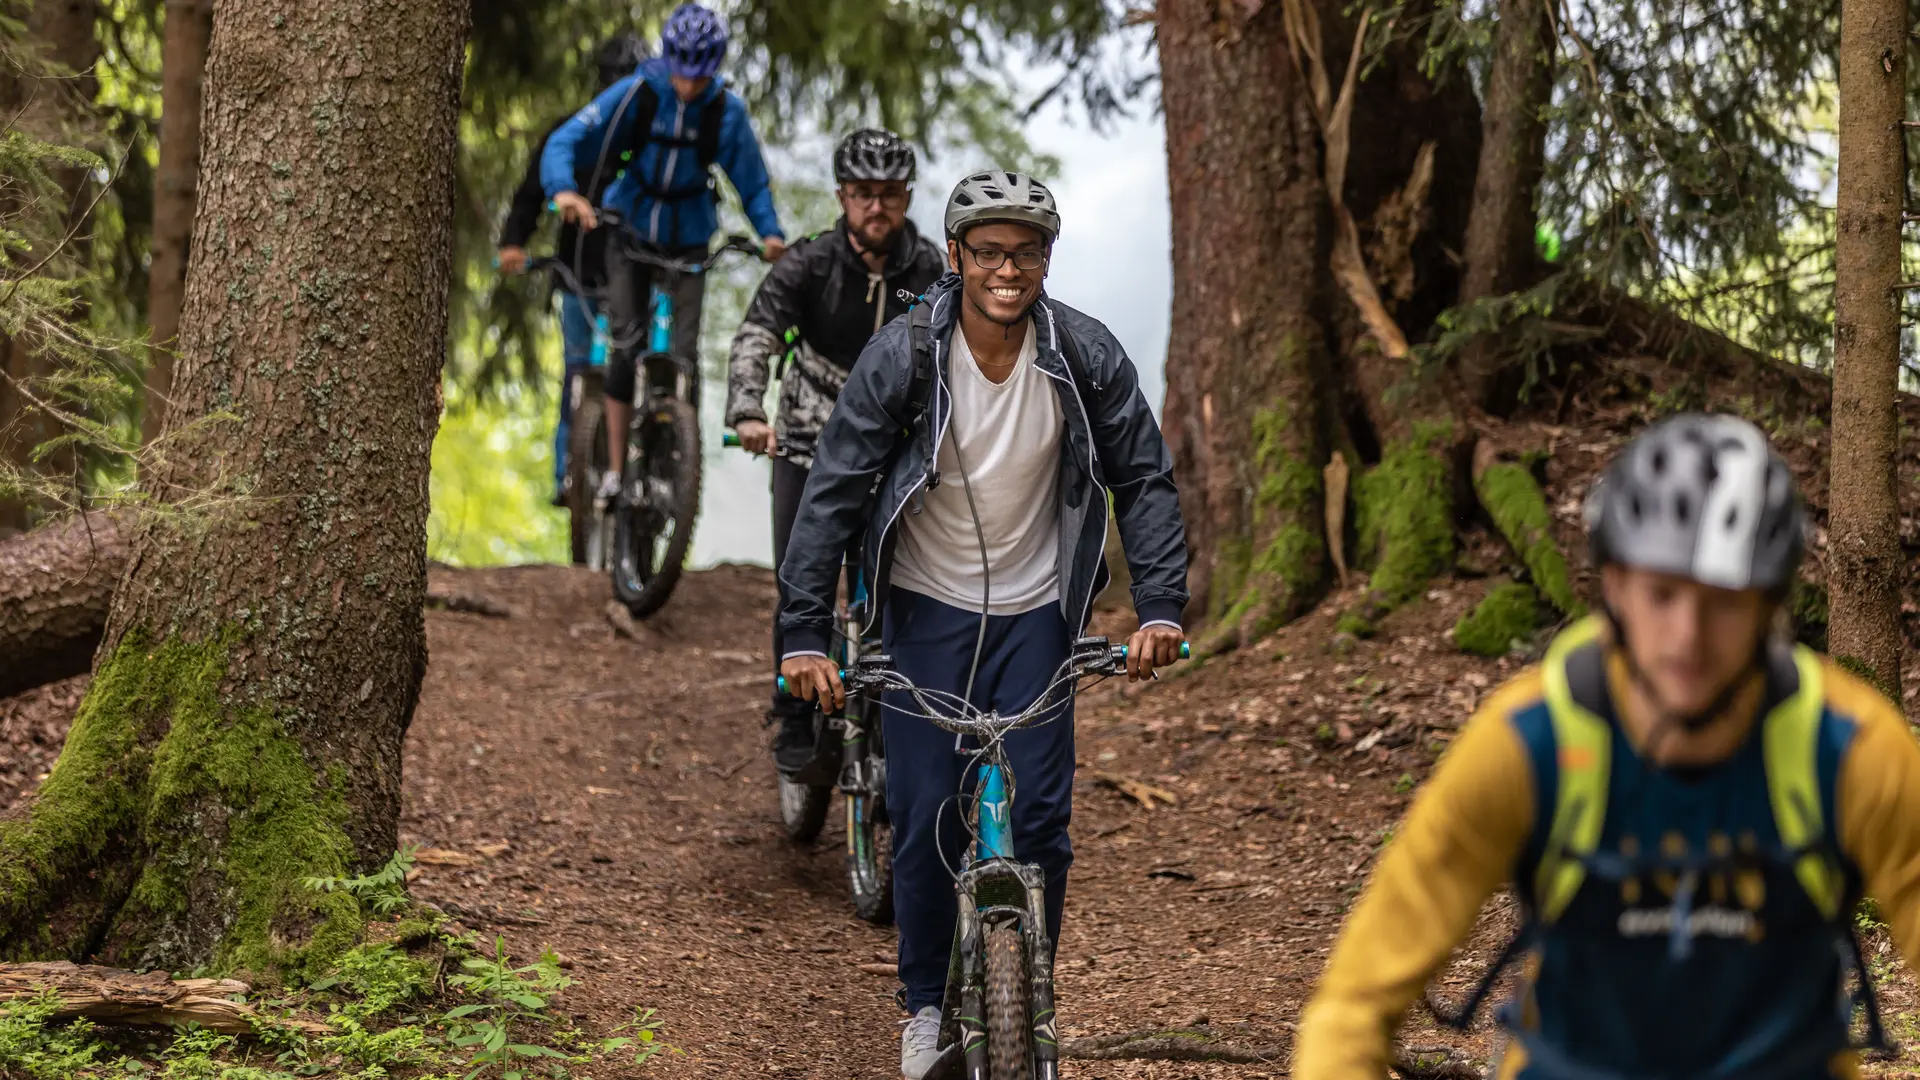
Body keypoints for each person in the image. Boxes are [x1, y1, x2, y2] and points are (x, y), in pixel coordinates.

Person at [1294, 413, 1920, 1080]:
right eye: (1662, 594)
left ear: (1771, 603)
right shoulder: (1528, 742)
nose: (1687, 636)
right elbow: (1354, 1005)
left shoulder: (1851, 746)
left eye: (1724, 603)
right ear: (1614, 585)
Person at [777, 170, 1191, 1079]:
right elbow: (833, 492)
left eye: (1027, 251)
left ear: (1047, 259)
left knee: (1043, 822)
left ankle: (1027, 997)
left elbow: (1144, 478)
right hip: (927, 609)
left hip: (1038, 613)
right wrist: (804, 632)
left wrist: (1161, 606)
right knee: (927, 816)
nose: (1008, 269)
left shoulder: (1083, 354)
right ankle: (926, 1006)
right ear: (958, 256)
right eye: (990, 251)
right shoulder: (904, 356)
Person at [724, 128, 947, 776]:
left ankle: (900, 711)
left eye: (888, 194)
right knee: (801, 572)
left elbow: (958, 351)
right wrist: (747, 410)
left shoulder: (932, 268)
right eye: (861, 194)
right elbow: (756, 336)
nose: (875, 208)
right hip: (807, 436)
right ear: (842, 197)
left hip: (895, 444)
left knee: (899, 582)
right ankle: (792, 712)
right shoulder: (808, 263)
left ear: (905, 197)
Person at [540, 2, 787, 503]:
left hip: (691, 234)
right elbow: (568, 137)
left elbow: (752, 180)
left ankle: (678, 461)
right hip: (631, 229)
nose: (688, 86)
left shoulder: (725, 110)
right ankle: (612, 470)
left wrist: (770, 232)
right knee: (625, 347)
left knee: (684, 353)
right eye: (682, 73)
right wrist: (563, 190)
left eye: (700, 76)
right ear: (669, 59)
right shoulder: (637, 92)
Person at [496, 33, 648, 510]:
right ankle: (568, 474)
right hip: (577, 272)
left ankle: (656, 464)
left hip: (641, 274)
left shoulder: (653, 142)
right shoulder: (572, 133)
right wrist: (513, 244)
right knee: (578, 374)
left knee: (645, 368)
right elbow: (529, 193)